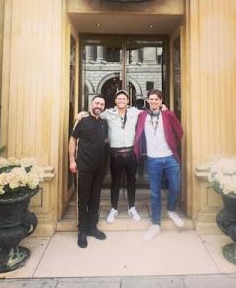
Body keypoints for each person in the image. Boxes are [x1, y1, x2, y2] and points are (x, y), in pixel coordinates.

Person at [78, 90, 143, 223]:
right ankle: (114, 208)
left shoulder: (134, 112)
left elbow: (148, 113)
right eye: (119, 99)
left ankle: (132, 207)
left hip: (130, 154)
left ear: (128, 101)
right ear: (115, 101)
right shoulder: (108, 113)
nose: (121, 101)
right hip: (115, 154)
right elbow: (94, 113)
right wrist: (83, 113)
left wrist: (162, 108)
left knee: (132, 182)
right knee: (115, 182)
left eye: (124, 99)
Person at [133, 89, 185, 241]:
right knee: (155, 193)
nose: (154, 101)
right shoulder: (142, 115)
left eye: (157, 99)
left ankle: (171, 210)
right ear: (147, 101)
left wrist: (171, 145)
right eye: (151, 99)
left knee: (175, 186)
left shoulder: (168, 115)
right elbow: (122, 112)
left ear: (161, 101)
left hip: (170, 158)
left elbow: (180, 132)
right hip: (153, 159)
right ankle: (155, 224)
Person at [69, 95, 109, 248]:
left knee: (95, 199)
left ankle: (92, 227)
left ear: (104, 107)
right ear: (91, 104)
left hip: (99, 168)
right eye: (97, 103)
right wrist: (72, 160)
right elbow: (72, 139)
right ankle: (82, 231)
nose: (99, 105)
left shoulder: (105, 123)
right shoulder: (82, 121)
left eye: (102, 104)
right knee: (83, 200)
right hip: (84, 167)